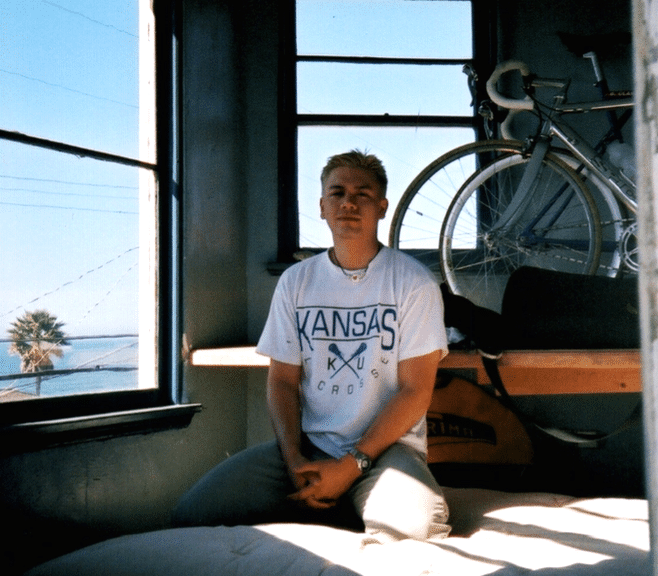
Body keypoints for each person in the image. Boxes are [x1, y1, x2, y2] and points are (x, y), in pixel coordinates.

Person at [172, 150, 450, 543]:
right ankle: (325, 496)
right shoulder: (296, 282)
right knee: (193, 513)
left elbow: (415, 392)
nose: (349, 202)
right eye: (337, 192)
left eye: (363, 194)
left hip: (385, 452)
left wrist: (351, 466)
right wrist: (293, 460)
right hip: (309, 447)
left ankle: (349, 497)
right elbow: (282, 381)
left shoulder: (412, 283)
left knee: (417, 529)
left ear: (382, 207)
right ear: (322, 207)